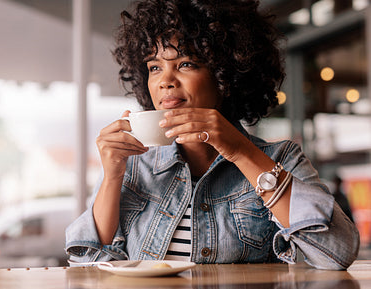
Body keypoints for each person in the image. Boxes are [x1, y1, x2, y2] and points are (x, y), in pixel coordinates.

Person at [65, 0, 359, 270]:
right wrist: (113, 176)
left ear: (225, 75)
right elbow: (88, 266)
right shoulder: (132, 164)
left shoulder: (280, 159)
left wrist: (241, 151)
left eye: (185, 64)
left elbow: (336, 252)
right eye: (155, 67)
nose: (165, 81)